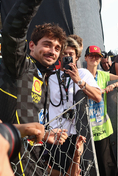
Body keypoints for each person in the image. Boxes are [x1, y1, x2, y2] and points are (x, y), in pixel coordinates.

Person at [0, 0, 72, 175]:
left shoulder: (43, 75)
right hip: (8, 163)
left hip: (32, 162)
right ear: (31, 46)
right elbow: (14, 29)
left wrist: (45, 134)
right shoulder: (18, 64)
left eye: (57, 48)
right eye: (47, 44)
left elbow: (26, 122)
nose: (52, 51)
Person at [48, 37, 101, 174]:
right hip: (56, 134)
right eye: (64, 54)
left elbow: (97, 97)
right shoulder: (51, 77)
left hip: (77, 133)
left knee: (77, 171)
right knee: (58, 171)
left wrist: (78, 81)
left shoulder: (83, 73)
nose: (67, 57)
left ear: (76, 57)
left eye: (70, 54)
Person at [84, 45, 118, 176]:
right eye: (91, 56)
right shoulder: (81, 74)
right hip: (86, 129)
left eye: (97, 56)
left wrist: (114, 84)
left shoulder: (103, 75)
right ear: (86, 57)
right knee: (90, 167)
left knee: (106, 165)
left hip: (102, 128)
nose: (94, 58)